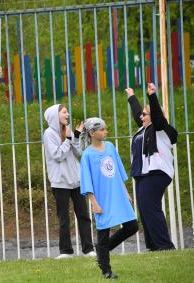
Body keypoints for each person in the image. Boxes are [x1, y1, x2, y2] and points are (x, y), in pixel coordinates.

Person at [80, 117, 138, 279]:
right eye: (103, 129)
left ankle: (102, 250)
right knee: (103, 232)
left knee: (132, 226)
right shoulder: (87, 155)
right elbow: (87, 180)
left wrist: (125, 193)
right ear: (92, 133)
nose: (106, 131)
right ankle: (106, 270)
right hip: (101, 198)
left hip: (117, 193)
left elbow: (118, 172)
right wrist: (93, 203)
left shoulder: (111, 147)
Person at [126, 83, 177, 251]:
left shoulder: (161, 128)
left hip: (157, 172)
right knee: (144, 209)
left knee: (150, 206)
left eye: (145, 114)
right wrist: (132, 97)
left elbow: (156, 115)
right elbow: (137, 113)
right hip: (143, 174)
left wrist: (152, 96)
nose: (142, 116)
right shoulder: (143, 129)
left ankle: (164, 245)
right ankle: (153, 246)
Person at [43, 105, 96, 259]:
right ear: (55, 115)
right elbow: (57, 155)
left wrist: (76, 136)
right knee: (64, 218)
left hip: (76, 180)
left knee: (83, 215)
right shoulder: (49, 134)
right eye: (64, 112)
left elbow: (78, 152)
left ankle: (88, 249)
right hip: (60, 182)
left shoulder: (68, 130)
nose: (68, 114)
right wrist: (67, 139)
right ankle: (66, 251)